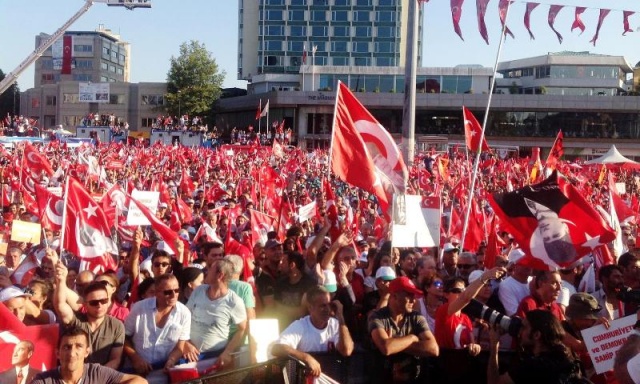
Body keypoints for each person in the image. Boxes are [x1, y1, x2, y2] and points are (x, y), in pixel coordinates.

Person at [270, 285, 354, 377]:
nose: (327, 309)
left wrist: (340, 317)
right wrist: (306, 357)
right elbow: (276, 348)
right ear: (310, 308)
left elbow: (347, 351)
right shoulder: (301, 326)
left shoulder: (335, 325)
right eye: (323, 306)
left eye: (329, 305)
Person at [53, 262, 125, 369]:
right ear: (85, 305)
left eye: (103, 301)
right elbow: (60, 305)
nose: (99, 305)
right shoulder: (76, 320)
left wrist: (97, 377)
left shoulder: (116, 326)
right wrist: (61, 281)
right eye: (94, 302)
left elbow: (115, 359)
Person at [368, 276, 439, 384]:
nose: (413, 300)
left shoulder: (416, 317)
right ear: (394, 296)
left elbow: (433, 349)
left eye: (414, 296)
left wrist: (396, 340)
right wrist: (412, 338)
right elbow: (386, 347)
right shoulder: (377, 316)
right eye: (409, 295)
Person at [488, 310, 584, 384]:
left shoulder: (532, 366)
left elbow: (494, 382)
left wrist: (494, 346)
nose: (520, 331)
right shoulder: (569, 358)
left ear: (537, 335)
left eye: (524, 327)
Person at [123, 274, 192, 376]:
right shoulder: (139, 308)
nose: (174, 295)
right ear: (156, 292)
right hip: (135, 372)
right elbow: (124, 337)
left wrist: (172, 360)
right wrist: (135, 358)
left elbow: (180, 346)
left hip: (163, 372)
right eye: (168, 292)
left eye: (176, 290)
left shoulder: (184, 313)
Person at [184, 258, 247, 368]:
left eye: (210, 269)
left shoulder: (234, 302)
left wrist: (227, 353)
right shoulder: (199, 291)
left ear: (220, 275)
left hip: (214, 360)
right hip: (189, 357)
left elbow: (242, 329)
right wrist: (185, 343)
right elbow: (184, 317)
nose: (206, 272)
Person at [30, 327, 147, 384]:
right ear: (57, 353)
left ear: (86, 352)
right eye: (67, 347)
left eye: (79, 346)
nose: (72, 353)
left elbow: (141, 381)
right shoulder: (43, 380)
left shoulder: (97, 372)